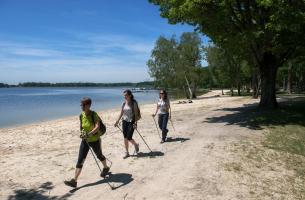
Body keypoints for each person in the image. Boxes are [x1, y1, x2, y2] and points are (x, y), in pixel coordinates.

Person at [64, 97, 110, 188]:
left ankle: (106, 167)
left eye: (83, 105)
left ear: (88, 105)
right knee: (80, 160)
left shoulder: (94, 114)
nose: (81, 106)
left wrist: (89, 134)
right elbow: (81, 128)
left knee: (99, 156)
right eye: (81, 104)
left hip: (95, 140)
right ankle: (74, 181)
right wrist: (82, 134)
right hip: (85, 141)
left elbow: (97, 126)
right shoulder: (81, 115)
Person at [114, 89, 141, 159]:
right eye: (124, 95)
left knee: (129, 137)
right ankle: (127, 152)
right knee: (125, 137)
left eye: (126, 95)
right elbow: (121, 113)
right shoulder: (123, 103)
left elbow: (136, 114)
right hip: (124, 121)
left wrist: (135, 123)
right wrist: (117, 121)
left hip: (131, 121)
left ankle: (135, 144)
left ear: (130, 95)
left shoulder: (134, 103)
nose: (124, 96)